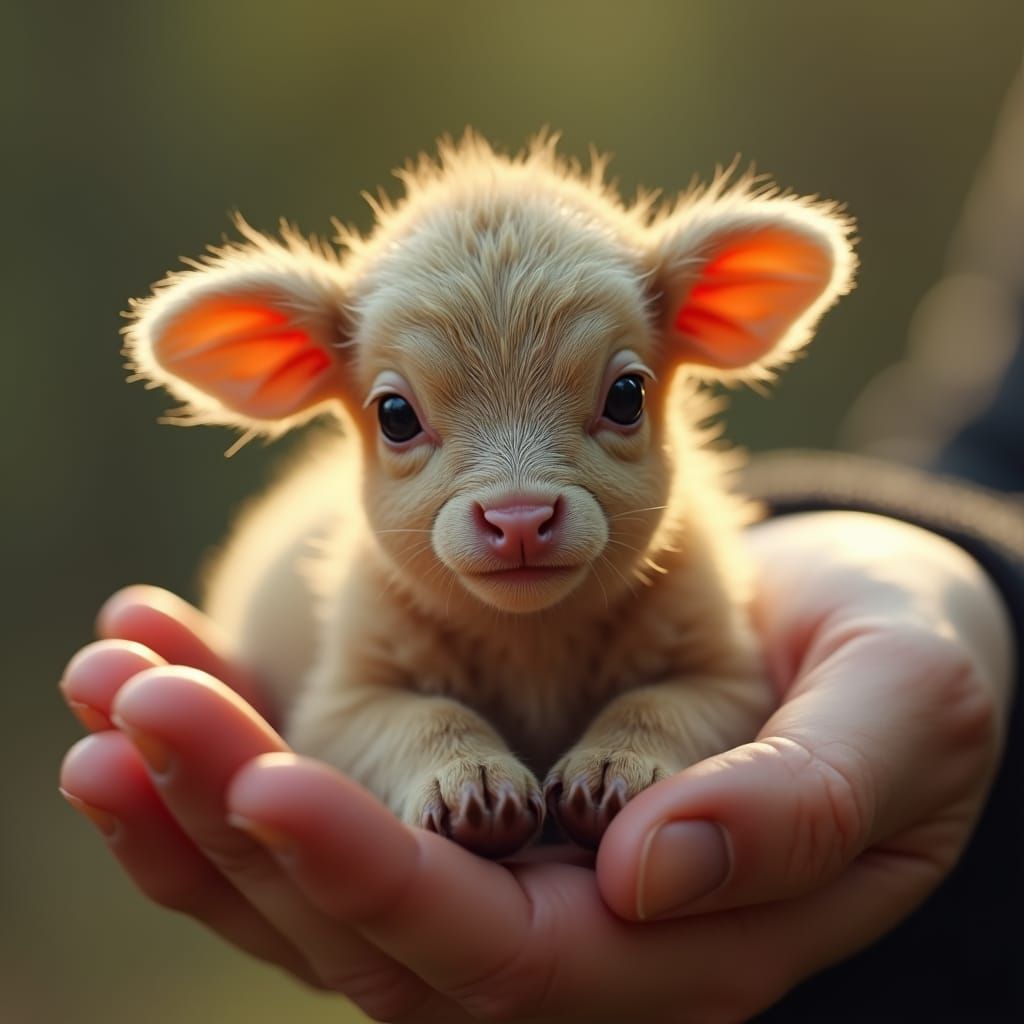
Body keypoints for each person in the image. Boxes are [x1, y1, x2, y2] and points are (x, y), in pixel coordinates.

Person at [58, 72, 1024, 1022]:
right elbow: (346, 711)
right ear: (294, 365)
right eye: (402, 417)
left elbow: (720, 683)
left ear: (712, 317)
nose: (517, 502)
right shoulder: (363, 598)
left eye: (617, 400)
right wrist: (435, 753)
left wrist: (651, 734)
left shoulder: (695, 584)